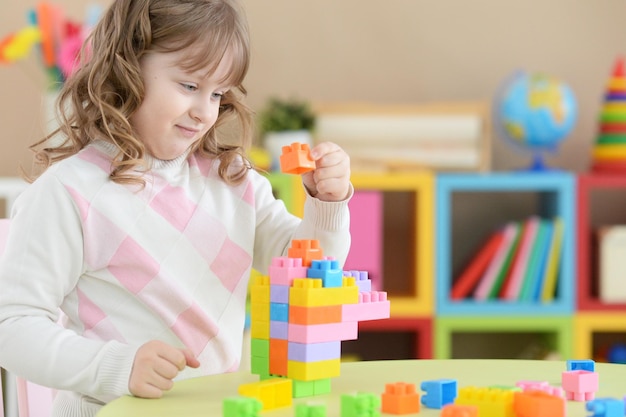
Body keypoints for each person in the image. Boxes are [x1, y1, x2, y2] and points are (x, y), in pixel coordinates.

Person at [0, 0, 352, 416]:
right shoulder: (69, 192)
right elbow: (13, 329)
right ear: (127, 67)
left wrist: (327, 204)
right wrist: (118, 366)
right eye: (189, 86)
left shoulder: (233, 181)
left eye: (217, 93)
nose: (205, 111)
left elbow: (309, 271)